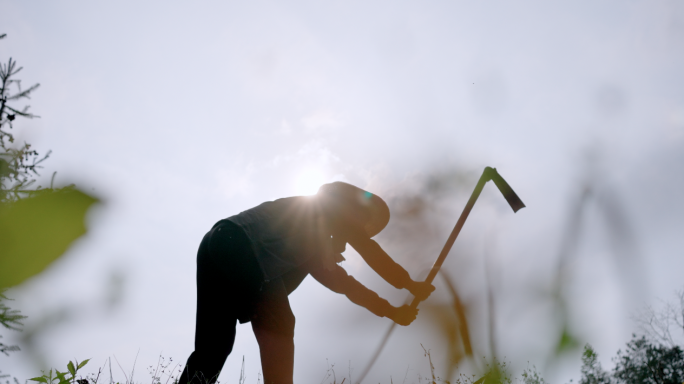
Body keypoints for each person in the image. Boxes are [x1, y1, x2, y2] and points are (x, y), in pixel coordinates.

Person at [178, 182, 435, 384]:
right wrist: (409, 285)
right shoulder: (328, 212)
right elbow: (370, 253)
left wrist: (390, 310)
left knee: (213, 350)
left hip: (215, 244)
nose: (356, 233)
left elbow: (343, 283)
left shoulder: (308, 237)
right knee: (280, 321)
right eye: (361, 223)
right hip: (240, 246)